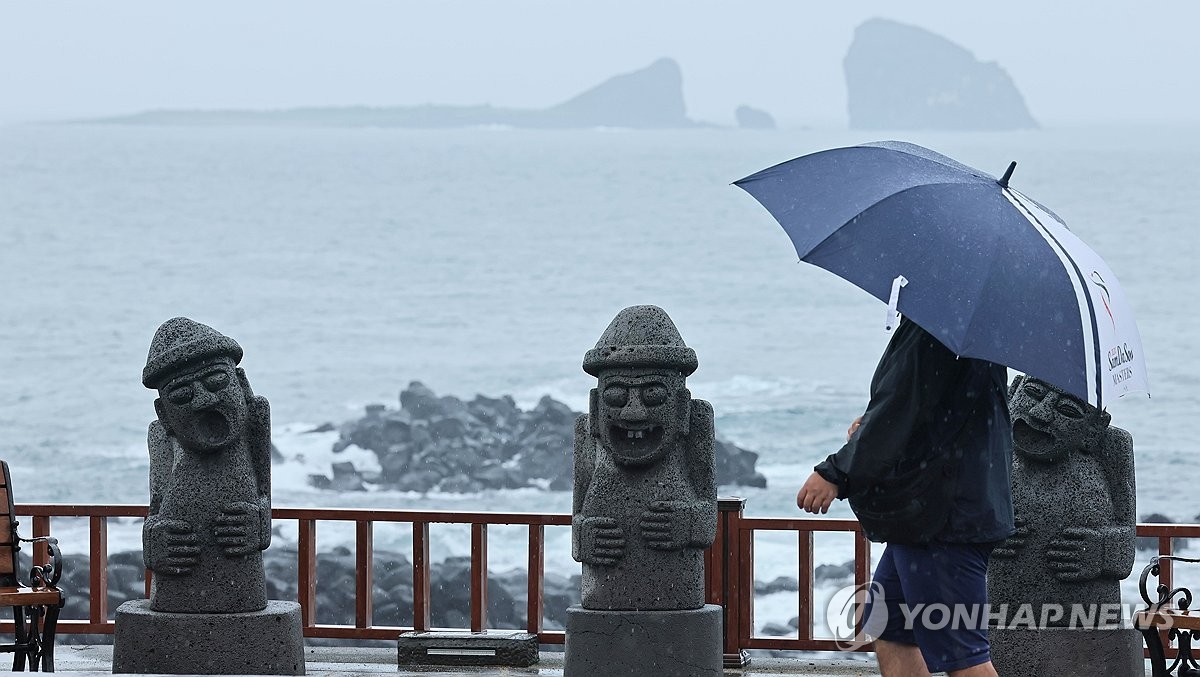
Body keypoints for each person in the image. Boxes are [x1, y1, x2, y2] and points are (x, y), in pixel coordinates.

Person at [797, 318, 1014, 677]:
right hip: (932, 515)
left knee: (966, 656)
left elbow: (900, 405)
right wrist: (874, 424)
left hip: (943, 519)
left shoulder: (938, 325)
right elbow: (931, 414)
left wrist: (836, 473)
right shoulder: (974, 330)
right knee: (889, 627)